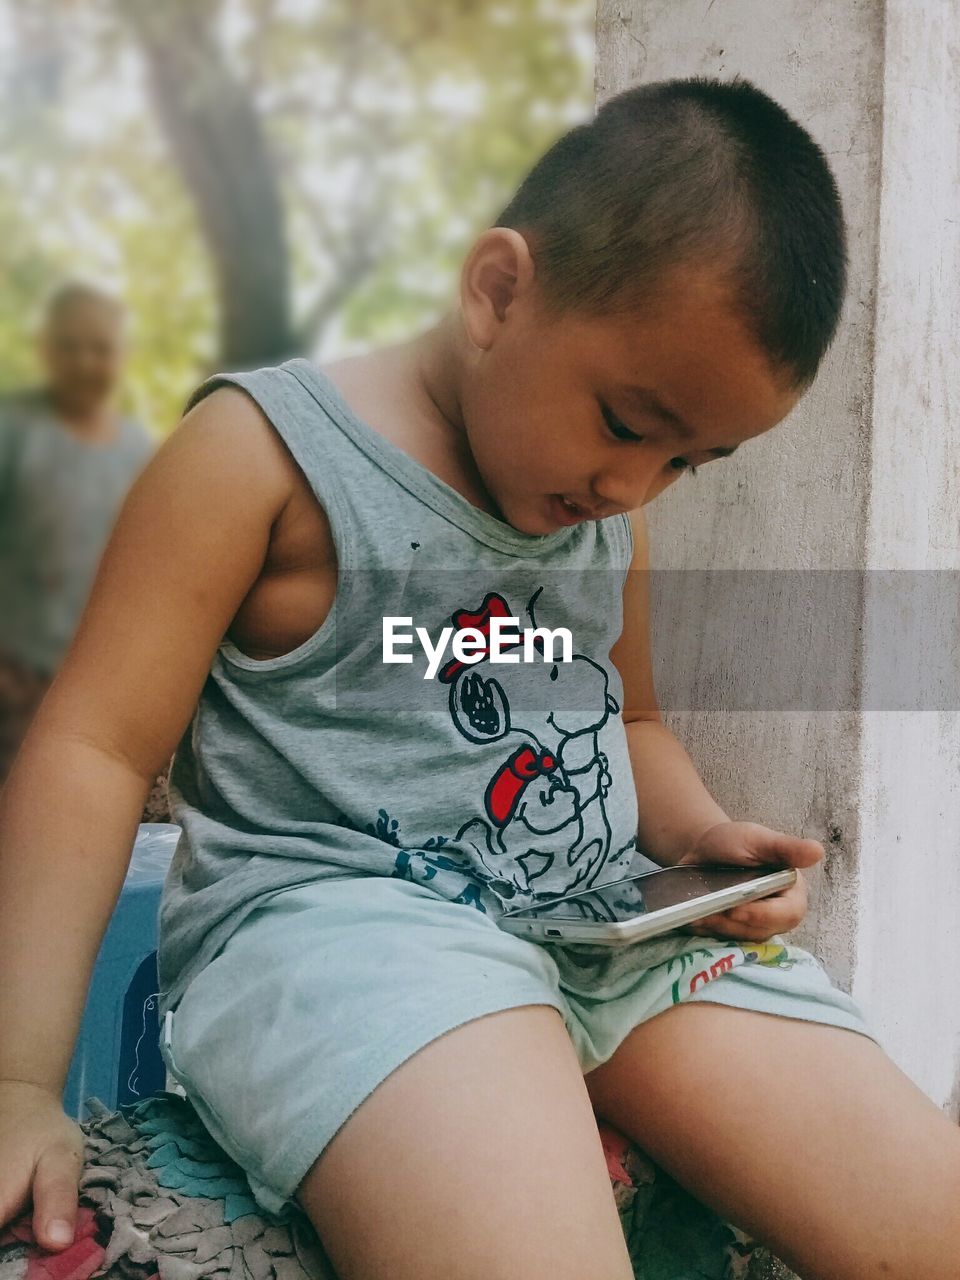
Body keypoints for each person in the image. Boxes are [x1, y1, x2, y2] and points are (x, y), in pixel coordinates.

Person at [0, 78, 957, 1280]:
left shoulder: (608, 508)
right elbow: (92, 749)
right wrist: (18, 1079)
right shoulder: (265, 458)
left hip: (603, 930)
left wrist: (704, 840)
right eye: (625, 421)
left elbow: (631, 717)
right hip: (349, 935)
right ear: (499, 289)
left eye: (688, 462)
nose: (634, 487)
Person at [0, 282, 155, 794]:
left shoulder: (137, 448)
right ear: (44, 348)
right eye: (68, 346)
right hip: (17, 674)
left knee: (69, 799)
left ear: (122, 355)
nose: (85, 362)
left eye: (100, 348)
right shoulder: (13, 430)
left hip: (99, 680)